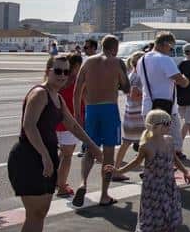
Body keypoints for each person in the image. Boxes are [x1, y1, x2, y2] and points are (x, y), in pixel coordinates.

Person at [8, 55, 102, 232]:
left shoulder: (57, 97)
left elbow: (72, 125)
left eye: (66, 72)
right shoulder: (40, 93)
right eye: (57, 71)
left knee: (39, 214)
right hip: (29, 159)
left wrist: (92, 146)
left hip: (44, 157)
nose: (62, 76)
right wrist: (44, 156)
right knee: (34, 215)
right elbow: (28, 126)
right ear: (48, 71)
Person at [108, 109, 190, 232]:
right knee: (151, 220)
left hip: (168, 184)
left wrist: (185, 171)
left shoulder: (169, 140)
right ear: (155, 126)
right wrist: (118, 170)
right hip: (153, 188)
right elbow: (136, 162)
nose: (170, 125)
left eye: (170, 122)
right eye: (166, 123)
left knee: (172, 216)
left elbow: (174, 159)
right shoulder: (146, 146)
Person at [72, 35, 129, 207]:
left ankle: (83, 182)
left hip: (91, 109)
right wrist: (118, 82)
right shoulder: (117, 62)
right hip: (109, 109)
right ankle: (104, 194)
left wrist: (77, 115)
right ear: (115, 48)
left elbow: (77, 90)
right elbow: (126, 87)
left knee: (90, 148)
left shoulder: (88, 62)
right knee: (109, 154)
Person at [136, 32, 190, 164]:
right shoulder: (164, 59)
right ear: (166, 44)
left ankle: (151, 169)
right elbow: (181, 81)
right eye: (171, 48)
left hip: (148, 107)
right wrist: (186, 79)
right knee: (173, 144)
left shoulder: (141, 60)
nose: (171, 52)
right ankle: (166, 172)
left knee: (151, 143)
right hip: (166, 110)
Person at [55, 52, 84, 197]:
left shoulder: (60, 79)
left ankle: (58, 181)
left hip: (56, 121)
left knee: (62, 153)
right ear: (77, 65)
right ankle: (61, 186)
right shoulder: (77, 80)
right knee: (67, 156)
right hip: (70, 122)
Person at [114, 51, 146, 177]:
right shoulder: (137, 77)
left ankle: (116, 169)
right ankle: (117, 171)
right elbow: (134, 95)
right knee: (143, 142)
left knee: (127, 142)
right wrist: (148, 96)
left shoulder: (130, 75)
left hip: (130, 113)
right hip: (137, 115)